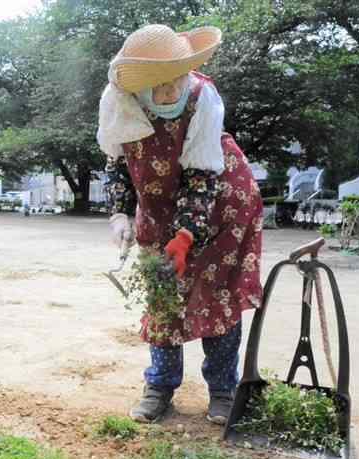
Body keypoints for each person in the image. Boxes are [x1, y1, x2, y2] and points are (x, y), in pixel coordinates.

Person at [97, 25, 263, 424]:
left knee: (216, 296)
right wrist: (120, 212)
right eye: (162, 85)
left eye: (178, 80)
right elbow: (118, 164)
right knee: (163, 297)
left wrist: (187, 233)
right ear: (141, 85)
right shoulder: (117, 102)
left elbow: (201, 176)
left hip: (221, 204)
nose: (172, 91)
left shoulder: (202, 97)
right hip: (157, 207)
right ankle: (160, 386)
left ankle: (223, 390)